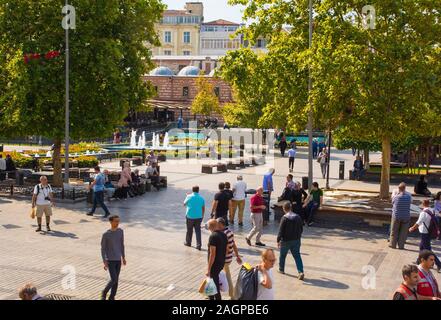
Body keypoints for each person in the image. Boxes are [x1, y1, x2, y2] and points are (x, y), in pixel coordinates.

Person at [409, 199, 441, 271]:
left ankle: (439, 264)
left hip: (424, 232)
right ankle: (418, 262)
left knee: (428, 250)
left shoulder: (423, 213)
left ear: (423, 204)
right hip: (429, 231)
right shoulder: (432, 210)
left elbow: (418, 222)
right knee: (421, 247)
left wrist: (412, 228)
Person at [101, 215, 126, 300]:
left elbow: (122, 245)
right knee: (114, 279)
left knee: (116, 280)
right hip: (110, 260)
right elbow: (103, 249)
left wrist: (123, 257)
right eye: (116, 221)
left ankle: (112, 296)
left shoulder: (120, 231)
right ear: (111, 222)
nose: (117, 223)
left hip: (118, 259)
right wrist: (104, 261)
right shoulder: (106, 234)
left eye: (118, 221)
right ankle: (104, 292)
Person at [277, 202, 304, 280]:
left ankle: (281, 269)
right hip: (296, 240)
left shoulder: (284, 218)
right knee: (297, 256)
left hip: (285, 241)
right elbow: (301, 228)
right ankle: (300, 272)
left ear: (284, 209)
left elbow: (281, 231)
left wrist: (278, 240)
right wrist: (298, 236)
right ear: (291, 208)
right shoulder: (298, 217)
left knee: (282, 255)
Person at [217, 218, 242, 300]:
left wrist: (220, 257)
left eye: (217, 224)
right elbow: (234, 244)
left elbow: (227, 248)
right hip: (229, 259)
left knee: (227, 277)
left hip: (224, 259)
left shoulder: (224, 234)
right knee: (222, 275)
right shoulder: (230, 232)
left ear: (221, 224)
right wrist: (237, 256)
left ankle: (232, 295)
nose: (216, 226)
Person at [206, 219, 228, 300]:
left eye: (208, 227)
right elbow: (226, 249)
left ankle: (218, 298)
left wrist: (208, 269)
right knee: (212, 281)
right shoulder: (223, 234)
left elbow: (212, 254)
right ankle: (210, 297)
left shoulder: (213, 236)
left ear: (210, 227)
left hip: (214, 264)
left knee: (214, 282)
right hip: (221, 262)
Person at [389, 183, 412, 249]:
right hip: (406, 216)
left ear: (398, 189)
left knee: (394, 230)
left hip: (396, 216)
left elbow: (393, 203)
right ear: (405, 188)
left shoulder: (396, 197)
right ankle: (401, 246)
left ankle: (392, 244)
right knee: (403, 232)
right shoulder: (409, 196)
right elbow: (410, 202)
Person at [184, 186, 205, 250]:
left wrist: (187, 196)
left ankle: (188, 242)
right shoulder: (202, 198)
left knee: (189, 230)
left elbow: (184, 204)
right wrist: (202, 216)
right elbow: (203, 208)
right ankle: (199, 245)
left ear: (192, 190)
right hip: (199, 216)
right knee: (198, 231)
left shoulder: (189, 196)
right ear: (198, 190)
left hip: (190, 216)